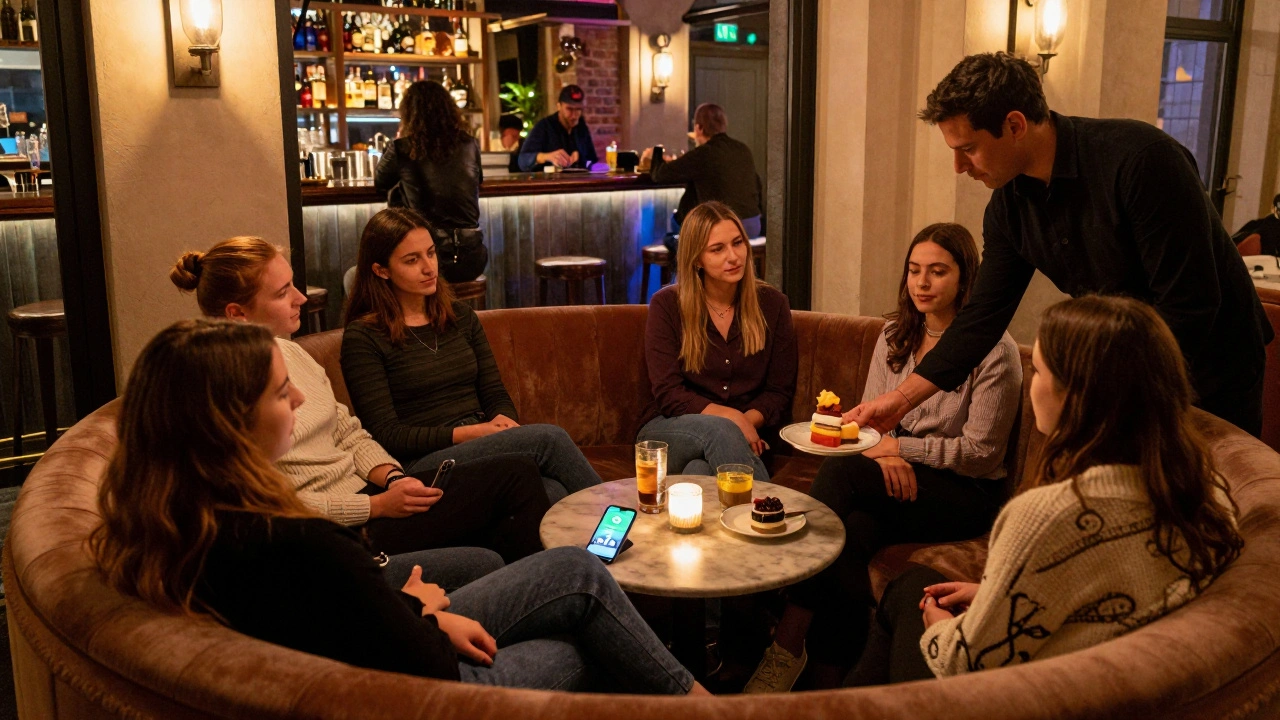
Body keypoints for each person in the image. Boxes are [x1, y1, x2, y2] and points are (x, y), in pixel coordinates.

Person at [89, 318, 710, 694]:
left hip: (374, 645)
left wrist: (414, 607)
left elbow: (336, 617)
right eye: (282, 395)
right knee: (582, 633)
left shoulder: (170, 519)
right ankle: (704, 700)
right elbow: (423, 666)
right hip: (416, 691)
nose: (300, 404)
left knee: (567, 568)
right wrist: (424, 614)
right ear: (230, 422)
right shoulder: (292, 542)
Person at [852, 52, 1273, 439]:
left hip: (1213, 367)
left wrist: (1104, 393)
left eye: (969, 149)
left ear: (1015, 125)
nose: (960, 167)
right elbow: (981, 317)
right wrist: (900, 400)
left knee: (1207, 505)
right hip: (1121, 372)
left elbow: (1191, 304)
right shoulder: (1009, 208)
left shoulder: (1141, 160)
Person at [844, 295, 1241, 685]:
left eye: (1037, 370)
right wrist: (994, 595)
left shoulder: (1047, 515)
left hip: (1023, 698)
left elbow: (963, 661)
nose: (1032, 387)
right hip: (1109, 684)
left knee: (912, 596)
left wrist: (938, 627)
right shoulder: (1206, 494)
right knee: (905, 576)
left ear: (1075, 395)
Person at [744, 223, 1021, 692]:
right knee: (850, 536)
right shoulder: (895, 333)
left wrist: (899, 448)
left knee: (839, 471)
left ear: (965, 279)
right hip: (896, 475)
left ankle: (788, 634)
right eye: (914, 271)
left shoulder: (994, 349)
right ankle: (835, 675)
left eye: (937, 272)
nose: (922, 283)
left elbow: (979, 454)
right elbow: (875, 421)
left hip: (965, 490)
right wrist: (883, 451)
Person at [171, 237, 550, 561]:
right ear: (237, 314)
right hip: (340, 527)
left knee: (520, 477)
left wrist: (394, 479)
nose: (301, 297)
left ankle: (552, 588)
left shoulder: (292, 353)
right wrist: (374, 506)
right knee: (515, 484)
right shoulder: (221, 388)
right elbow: (263, 506)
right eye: (283, 291)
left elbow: (349, 432)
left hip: (371, 492)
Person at [341, 208, 603, 502]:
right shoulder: (363, 337)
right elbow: (387, 434)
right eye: (412, 260)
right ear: (381, 270)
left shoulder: (460, 317)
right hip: (422, 462)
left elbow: (494, 392)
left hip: (479, 439)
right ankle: (626, 529)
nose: (429, 268)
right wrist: (473, 434)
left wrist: (504, 424)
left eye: (431, 253)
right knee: (550, 439)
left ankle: (599, 547)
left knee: (550, 490)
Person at [638, 201, 797, 481]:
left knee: (698, 472)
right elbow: (669, 394)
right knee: (719, 430)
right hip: (669, 431)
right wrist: (731, 420)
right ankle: (766, 514)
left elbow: (778, 392)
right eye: (717, 249)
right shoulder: (667, 305)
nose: (734, 256)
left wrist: (743, 424)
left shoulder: (772, 305)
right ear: (697, 258)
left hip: (743, 437)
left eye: (738, 243)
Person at [375, 80, 487, 284]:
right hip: (473, 258)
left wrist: (400, 138)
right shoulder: (469, 144)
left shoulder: (403, 147)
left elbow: (380, 182)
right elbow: (478, 180)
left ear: (409, 113)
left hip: (429, 262)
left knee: (367, 275)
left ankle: (409, 316)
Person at [641, 103, 764, 240]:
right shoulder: (742, 149)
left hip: (725, 227)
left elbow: (659, 175)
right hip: (753, 225)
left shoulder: (703, 154)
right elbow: (757, 185)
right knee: (695, 194)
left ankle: (685, 254)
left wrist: (655, 154)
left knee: (674, 230)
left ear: (699, 128)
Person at [517, 85, 598, 171]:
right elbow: (522, 161)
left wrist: (581, 158)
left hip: (576, 182)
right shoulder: (544, 126)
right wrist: (546, 156)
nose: (574, 115)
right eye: (569, 109)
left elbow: (592, 161)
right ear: (559, 106)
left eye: (578, 109)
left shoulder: (581, 127)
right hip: (549, 183)